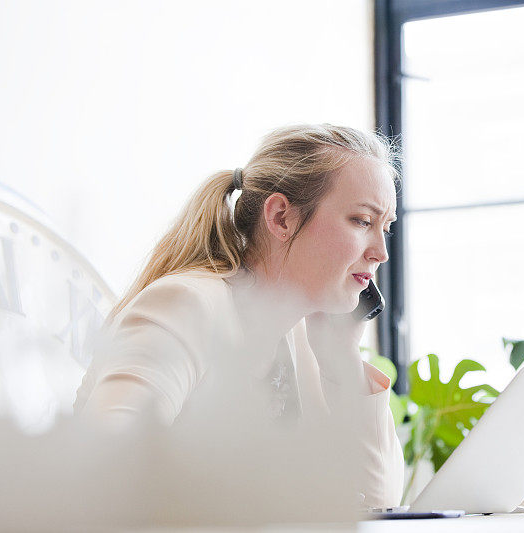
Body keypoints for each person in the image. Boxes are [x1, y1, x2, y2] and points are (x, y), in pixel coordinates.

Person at [73, 123, 404, 508]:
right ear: (281, 217)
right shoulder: (186, 305)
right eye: (363, 221)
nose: (381, 251)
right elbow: (107, 468)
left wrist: (343, 362)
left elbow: (377, 503)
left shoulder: (304, 340)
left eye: (387, 227)